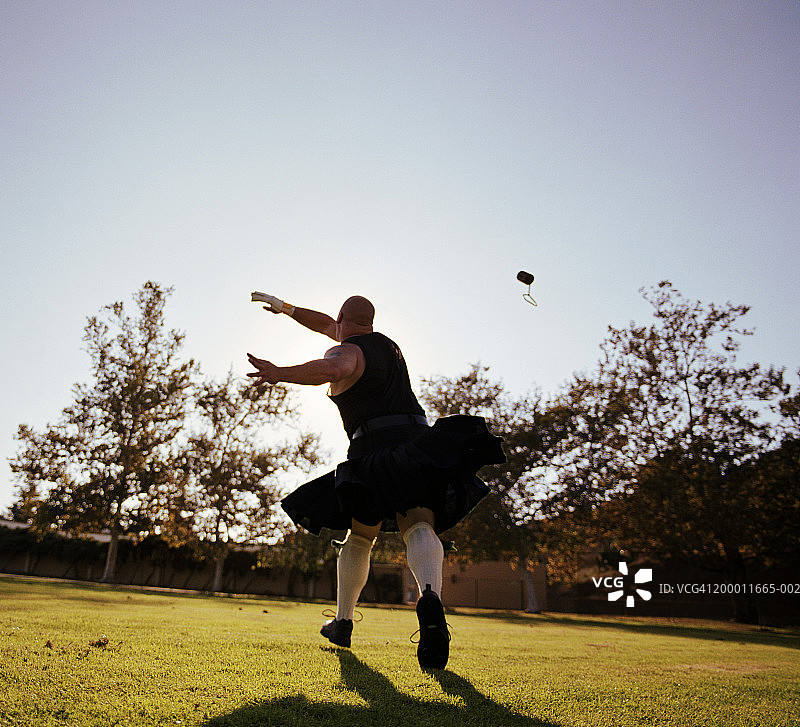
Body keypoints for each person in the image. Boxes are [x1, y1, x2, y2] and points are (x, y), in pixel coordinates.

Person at [247, 291, 505, 670]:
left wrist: (280, 373)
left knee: (361, 535)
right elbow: (324, 324)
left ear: (343, 323)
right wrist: (287, 309)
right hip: (417, 445)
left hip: (373, 450)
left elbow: (334, 368)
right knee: (418, 522)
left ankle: (343, 622)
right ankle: (430, 597)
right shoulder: (388, 346)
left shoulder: (345, 351)